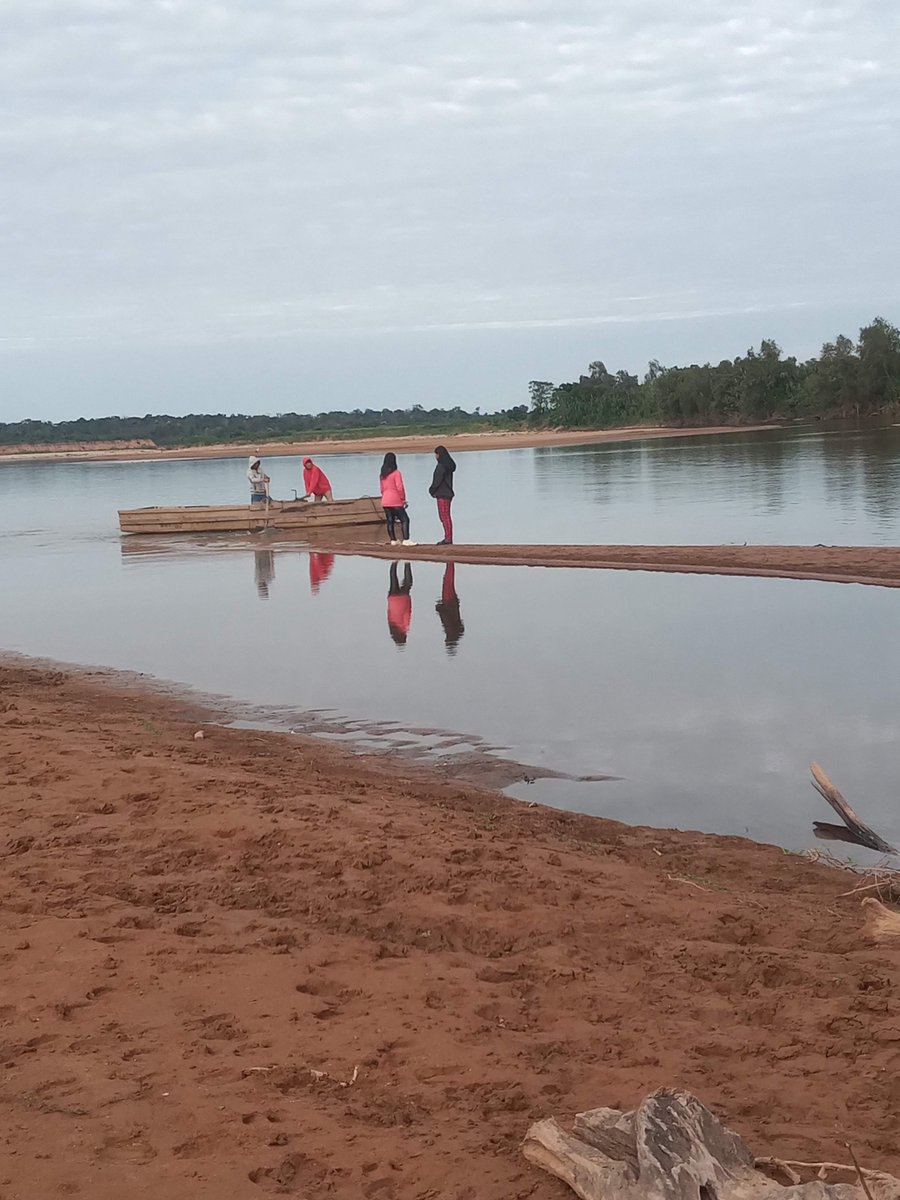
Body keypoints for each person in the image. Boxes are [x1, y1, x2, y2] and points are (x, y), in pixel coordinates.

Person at [379, 452, 416, 546]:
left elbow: (382, 489)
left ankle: (393, 540)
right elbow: (400, 487)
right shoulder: (396, 473)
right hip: (395, 500)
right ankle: (406, 539)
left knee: (390, 520)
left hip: (385, 500)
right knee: (405, 519)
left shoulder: (382, 475)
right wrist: (403, 499)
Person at [435, 562, 465, 655]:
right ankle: (450, 563)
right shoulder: (450, 630)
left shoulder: (456, 631)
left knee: (449, 582)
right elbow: (446, 618)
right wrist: (439, 609)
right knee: (448, 582)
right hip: (448, 603)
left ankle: (450, 564)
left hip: (453, 604)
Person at [428, 445, 456, 544]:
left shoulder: (441, 466)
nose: (435, 457)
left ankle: (448, 538)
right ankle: (448, 537)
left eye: (436, 455)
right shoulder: (448, 466)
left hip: (442, 494)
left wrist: (431, 490)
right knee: (446, 516)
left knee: (444, 516)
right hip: (447, 493)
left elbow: (437, 480)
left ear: (439, 455)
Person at [387, 562, 413, 647]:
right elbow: (389, 613)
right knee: (393, 579)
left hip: (403, 600)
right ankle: (394, 562)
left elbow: (407, 614)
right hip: (392, 600)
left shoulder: (404, 628)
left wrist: (409, 600)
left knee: (408, 584)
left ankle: (407, 563)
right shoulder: (391, 627)